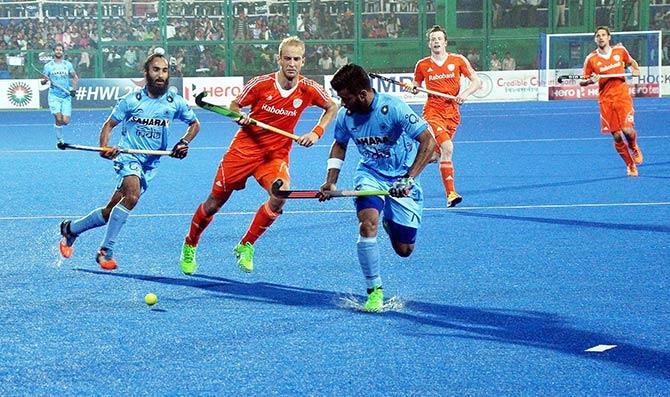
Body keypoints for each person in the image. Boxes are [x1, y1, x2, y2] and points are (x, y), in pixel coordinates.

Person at [179, 36, 338, 275]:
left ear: (303, 61)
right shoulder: (260, 84)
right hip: (243, 152)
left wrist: (316, 133)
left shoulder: (308, 88)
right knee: (213, 204)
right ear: (279, 59)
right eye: (287, 58)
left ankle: (246, 244)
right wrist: (238, 116)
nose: (291, 63)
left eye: (296, 59)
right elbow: (234, 105)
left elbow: (332, 106)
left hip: (275, 156)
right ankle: (190, 243)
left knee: (280, 193)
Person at [58, 52, 201, 270]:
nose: (161, 75)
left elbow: (194, 124)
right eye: (156, 70)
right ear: (146, 72)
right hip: (128, 156)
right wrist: (105, 146)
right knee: (132, 197)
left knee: (110, 211)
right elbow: (109, 125)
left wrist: (184, 142)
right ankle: (105, 251)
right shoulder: (132, 100)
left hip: (150, 164)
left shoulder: (175, 102)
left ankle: (71, 229)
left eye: (164, 70)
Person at [319, 63, 435, 312]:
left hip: (402, 176)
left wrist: (409, 178)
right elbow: (340, 145)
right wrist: (331, 180)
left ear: (362, 94)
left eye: (345, 97)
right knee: (367, 222)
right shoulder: (345, 116)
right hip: (370, 174)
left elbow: (428, 141)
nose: (342, 103)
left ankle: (390, 220)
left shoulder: (392, 107)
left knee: (404, 250)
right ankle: (374, 291)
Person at [407, 25, 481, 207]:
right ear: (429, 44)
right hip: (432, 112)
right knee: (447, 147)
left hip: (453, 113)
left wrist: (464, 94)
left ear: (445, 42)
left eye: (439, 39)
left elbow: (477, 81)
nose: (436, 42)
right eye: (433, 39)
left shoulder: (458, 60)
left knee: (433, 156)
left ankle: (406, 181)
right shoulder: (422, 65)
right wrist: (412, 87)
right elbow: (416, 86)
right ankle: (451, 194)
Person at [582, 26, 643, 176]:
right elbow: (583, 82)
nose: (601, 38)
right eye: (598, 36)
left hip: (622, 96)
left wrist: (636, 70)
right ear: (595, 39)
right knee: (616, 135)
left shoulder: (620, 51)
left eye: (603, 35)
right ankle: (630, 165)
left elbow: (632, 63)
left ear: (609, 37)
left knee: (627, 130)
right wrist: (591, 80)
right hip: (605, 100)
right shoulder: (591, 59)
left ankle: (634, 146)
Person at [41, 43, 78, 145]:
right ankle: (60, 139)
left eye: (60, 50)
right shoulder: (48, 66)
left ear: (63, 52)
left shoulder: (68, 65)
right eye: (56, 50)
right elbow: (43, 81)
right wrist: (44, 81)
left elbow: (75, 77)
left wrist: (74, 90)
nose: (58, 51)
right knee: (58, 118)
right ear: (54, 52)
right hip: (54, 96)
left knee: (65, 121)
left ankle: (59, 128)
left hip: (66, 96)